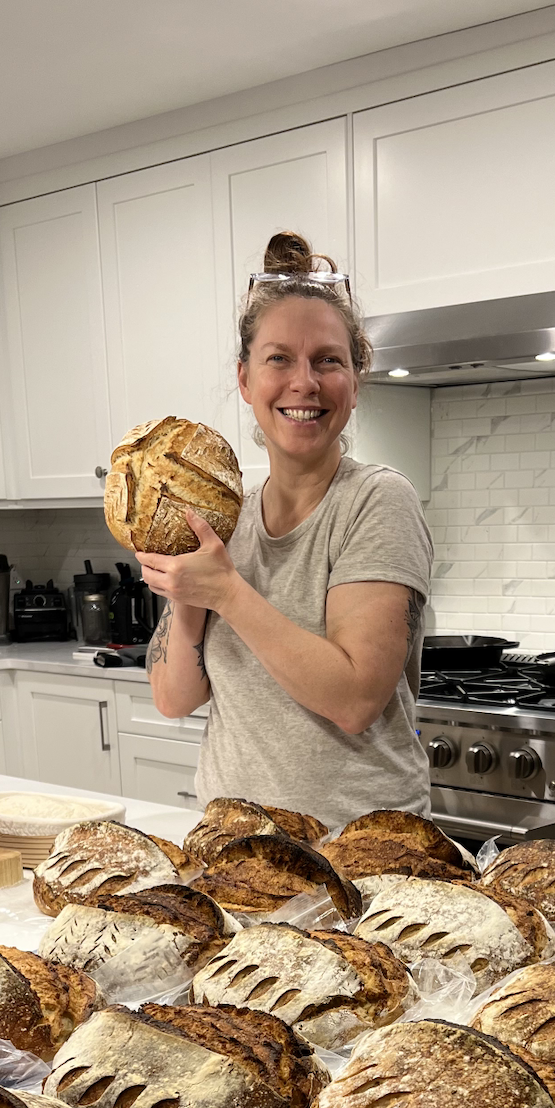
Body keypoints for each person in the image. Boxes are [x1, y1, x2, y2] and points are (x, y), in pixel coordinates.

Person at [140, 230, 432, 833]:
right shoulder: (225, 517)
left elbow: (354, 701)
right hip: (234, 844)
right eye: (280, 359)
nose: (306, 382)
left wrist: (225, 591)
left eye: (328, 360)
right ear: (245, 380)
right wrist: (191, 591)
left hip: (359, 852)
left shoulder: (376, 501)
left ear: (355, 382)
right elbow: (175, 699)